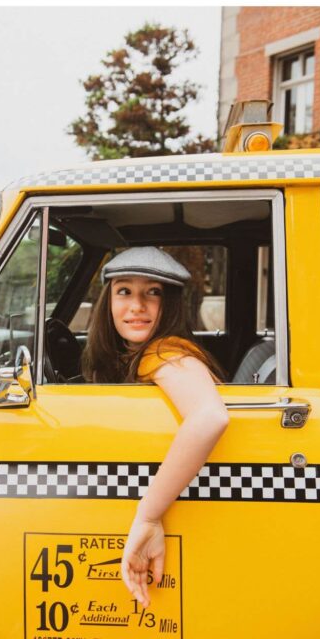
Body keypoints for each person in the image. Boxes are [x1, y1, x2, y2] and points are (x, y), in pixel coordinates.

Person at [82, 246, 229, 609]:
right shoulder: (149, 352)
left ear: (171, 303)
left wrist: (147, 516)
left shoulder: (163, 352)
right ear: (108, 301)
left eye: (153, 292)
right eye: (124, 291)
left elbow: (210, 416)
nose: (137, 306)